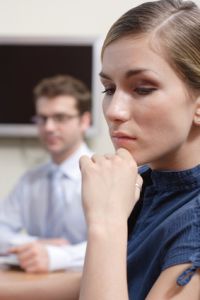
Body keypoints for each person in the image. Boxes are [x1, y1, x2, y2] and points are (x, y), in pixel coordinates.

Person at [78, 0, 200, 299]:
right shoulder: (143, 182)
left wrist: (106, 223)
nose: (113, 111)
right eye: (109, 89)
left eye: (143, 88)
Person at [0, 74, 93, 273]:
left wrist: (56, 256)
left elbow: (120, 243)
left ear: (84, 121)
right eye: (42, 118)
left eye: (60, 118)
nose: (49, 127)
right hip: (34, 283)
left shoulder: (102, 175)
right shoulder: (30, 180)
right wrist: (37, 243)